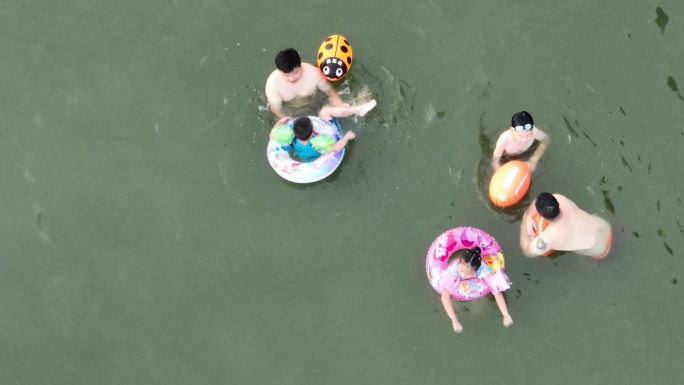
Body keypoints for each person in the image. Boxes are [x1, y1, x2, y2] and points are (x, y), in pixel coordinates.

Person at [439, 247, 514, 333]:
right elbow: (445, 296)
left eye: (468, 274)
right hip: (455, 279)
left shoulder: (483, 269)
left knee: (477, 311)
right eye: (462, 270)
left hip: (479, 277)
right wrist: (454, 320)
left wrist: (506, 315)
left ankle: (500, 275)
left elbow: (497, 292)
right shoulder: (453, 271)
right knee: (454, 304)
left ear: (476, 271)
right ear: (459, 263)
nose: (463, 275)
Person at [273, 100, 376, 162]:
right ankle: (357, 110)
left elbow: (272, 134)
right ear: (312, 131)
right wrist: (347, 136)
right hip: (322, 155)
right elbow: (336, 148)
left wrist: (281, 121)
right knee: (325, 111)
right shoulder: (317, 143)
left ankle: (350, 109)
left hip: (305, 158)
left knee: (324, 112)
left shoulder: (291, 140)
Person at [519, 192, 612, 259]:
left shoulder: (547, 240)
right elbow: (537, 202)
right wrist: (529, 215)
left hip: (598, 249)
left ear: (541, 215)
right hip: (604, 226)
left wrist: (525, 218)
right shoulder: (560, 198)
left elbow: (527, 251)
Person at [265, 48, 345, 120]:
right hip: (291, 110)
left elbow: (330, 92)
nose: (292, 78)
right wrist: (287, 121)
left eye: (295, 72)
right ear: (279, 71)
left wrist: (341, 106)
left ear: (300, 65)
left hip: (315, 104)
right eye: (286, 75)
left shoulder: (314, 73)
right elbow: (276, 109)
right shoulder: (272, 84)